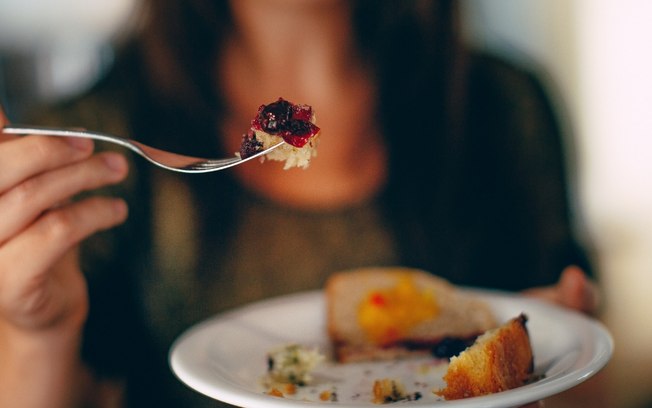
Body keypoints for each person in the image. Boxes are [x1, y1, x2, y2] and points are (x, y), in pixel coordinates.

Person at [0, 0, 599, 407]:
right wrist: (39, 332)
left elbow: (576, 365)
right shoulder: (75, 150)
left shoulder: (505, 106)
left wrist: (546, 358)